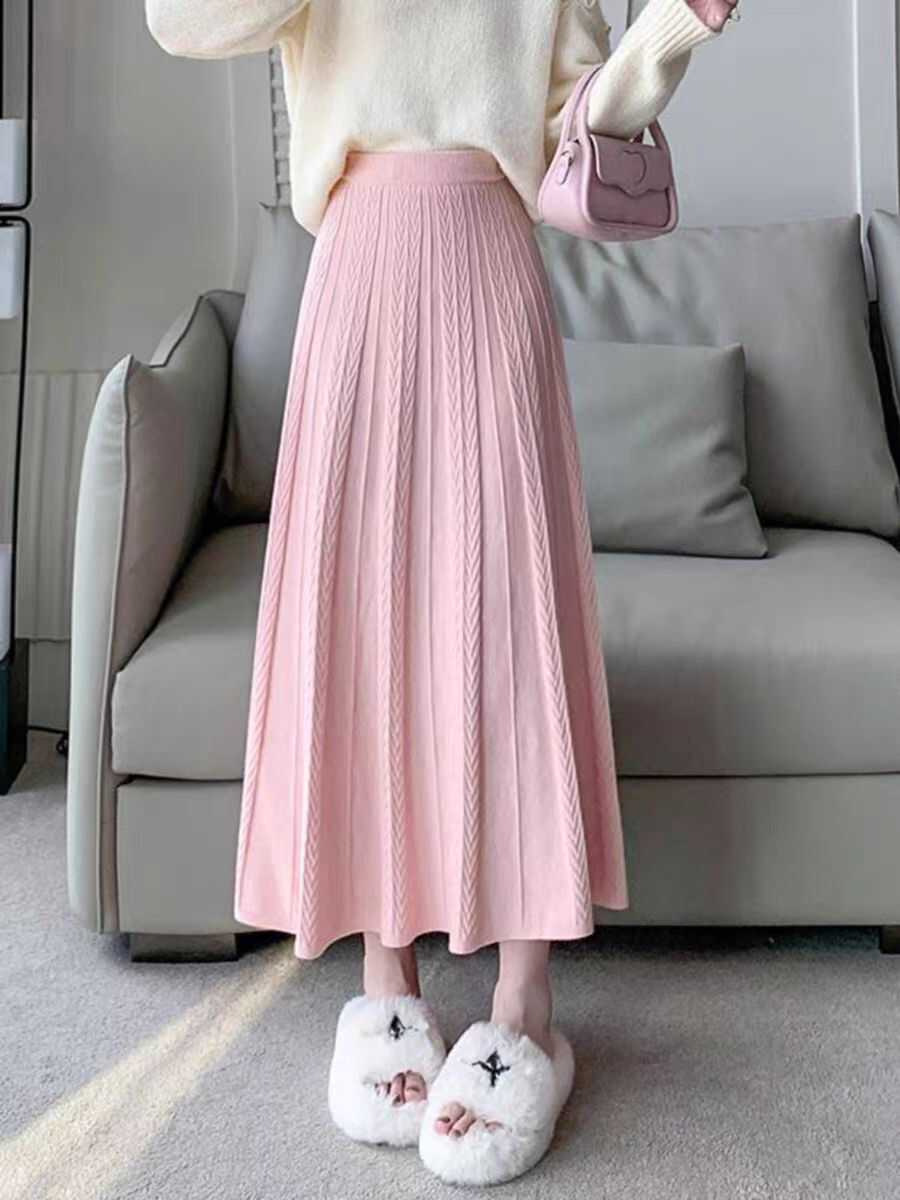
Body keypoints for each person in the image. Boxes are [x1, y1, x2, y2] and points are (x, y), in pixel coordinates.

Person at [145, 0, 740, 1185]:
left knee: (510, 629)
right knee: (368, 630)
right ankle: (387, 984)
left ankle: (526, 1007)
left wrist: (674, 29)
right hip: (357, 275)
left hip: (492, 266)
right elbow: (184, 22)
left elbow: (580, 120)